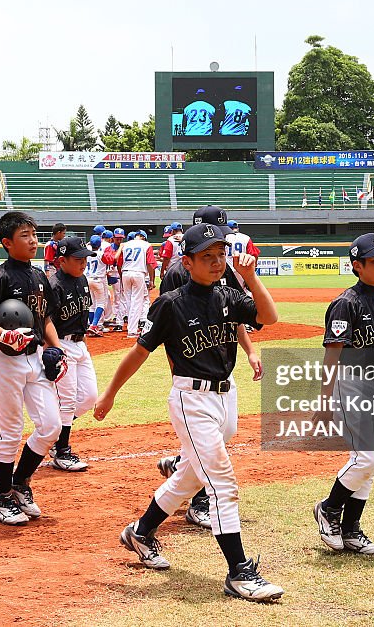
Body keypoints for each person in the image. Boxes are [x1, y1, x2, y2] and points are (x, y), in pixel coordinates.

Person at [94, 222, 284, 602]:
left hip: (225, 398)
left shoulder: (230, 295)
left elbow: (269, 316)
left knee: (188, 478)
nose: (217, 263)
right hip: (190, 400)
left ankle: (141, 532)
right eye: (207, 257)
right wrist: (110, 394)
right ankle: (240, 572)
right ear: (187, 261)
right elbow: (139, 352)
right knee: (222, 485)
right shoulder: (171, 303)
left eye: (221, 255)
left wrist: (249, 277)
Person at [155, 206, 263, 529]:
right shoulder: (178, 272)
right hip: (192, 370)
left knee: (225, 431)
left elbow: (232, 315)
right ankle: (199, 501)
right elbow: (167, 327)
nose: (222, 248)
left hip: (221, 369)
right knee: (212, 447)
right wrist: (176, 367)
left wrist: (250, 350)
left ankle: (180, 462)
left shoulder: (223, 270)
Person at [0, 211, 67, 526]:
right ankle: (2, 498)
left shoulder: (39, 277)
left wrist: (57, 349)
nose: (33, 240)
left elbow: (46, 317)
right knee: (9, 432)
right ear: (8, 243)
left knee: (51, 425)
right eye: (25, 235)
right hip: (3, 360)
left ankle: (20, 482)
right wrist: (3, 334)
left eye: (34, 234)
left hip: (35, 358)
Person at [313, 233, 374, 556]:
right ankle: (328, 508)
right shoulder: (346, 303)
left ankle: (352, 529)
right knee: (367, 458)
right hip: (350, 384)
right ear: (357, 266)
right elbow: (333, 353)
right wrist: (325, 399)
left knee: (368, 465)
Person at [48, 236, 98, 472]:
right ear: (62, 260)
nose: (83, 263)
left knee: (88, 397)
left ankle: (53, 435)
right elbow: (45, 321)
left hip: (80, 344)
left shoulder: (82, 279)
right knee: (67, 401)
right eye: (78, 259)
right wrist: (52, 349)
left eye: (85, 259)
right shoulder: (54, 285)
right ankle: (62, 450)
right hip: (61, 344)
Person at [117, 230, 156, 338]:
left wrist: (121, 276)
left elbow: (119, 264)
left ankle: (131, 327)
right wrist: (152, 279)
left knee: (128, 301)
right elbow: (150, 264)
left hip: (125, 273)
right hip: (138, 273)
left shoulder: (125, 245)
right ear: (143, 237)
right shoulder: (146, 245)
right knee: (137, 302)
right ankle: (132, 330)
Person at [102, 227, 127, 331]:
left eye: (121, 238)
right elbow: (111, 261)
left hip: (120, 274)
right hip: (111, 273)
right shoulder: (110, 247)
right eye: (117, 238)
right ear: (113, 238)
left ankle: (118, 315)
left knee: (119, 295)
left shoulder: (125, 247)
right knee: (110, 296)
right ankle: (112, 316)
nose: (119, 240)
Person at [224, 220, 261, 290]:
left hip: (227, 271)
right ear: (237, 228)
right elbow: (254, 254)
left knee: (226, 293)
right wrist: (253, 270)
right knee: (244, 294)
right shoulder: (246, 238)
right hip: (241, 270)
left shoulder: (224, 237)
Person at [85, 235, 109, 337]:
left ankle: (91, 325)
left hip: (87, 279)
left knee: (91, 304)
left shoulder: (86, 254)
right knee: (101, 303)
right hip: (98, 280)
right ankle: (94, 326)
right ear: (99, 245)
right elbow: (111, 261)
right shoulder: (101, 254)